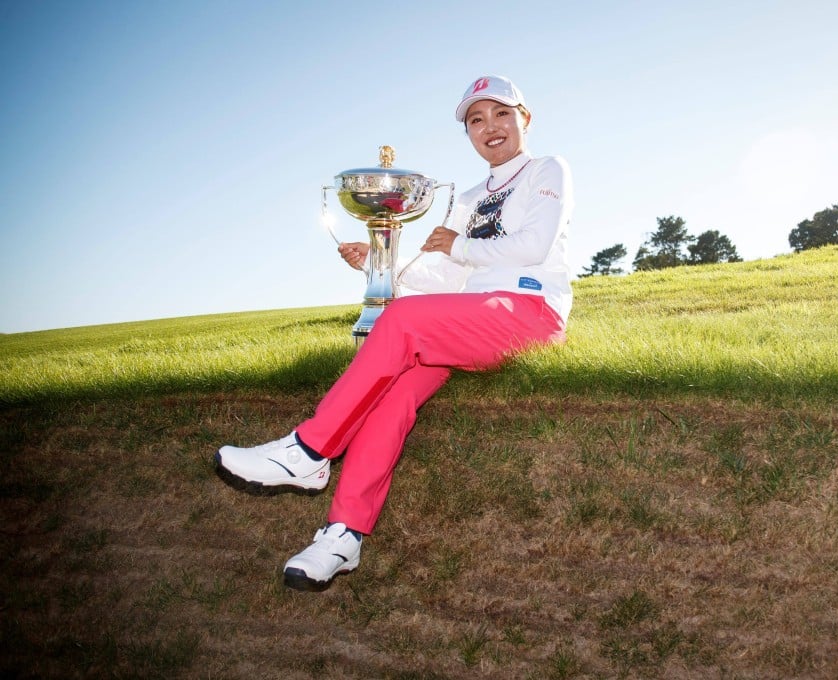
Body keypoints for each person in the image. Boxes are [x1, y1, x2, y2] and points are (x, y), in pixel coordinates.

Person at [215, 75, 574, 591]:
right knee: (393, 399)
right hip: (469, 319)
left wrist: (457, 247)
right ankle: (342, 536)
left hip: (529, 311)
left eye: (501, 114)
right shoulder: (470, 197)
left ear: (526, 118)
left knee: (402, 322)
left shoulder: (548, 169)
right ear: (468, 132)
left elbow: (534, 245)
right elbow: (445, 276)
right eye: (476, 119)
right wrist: (382, 265)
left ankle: (309, 451)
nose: (490, 127)